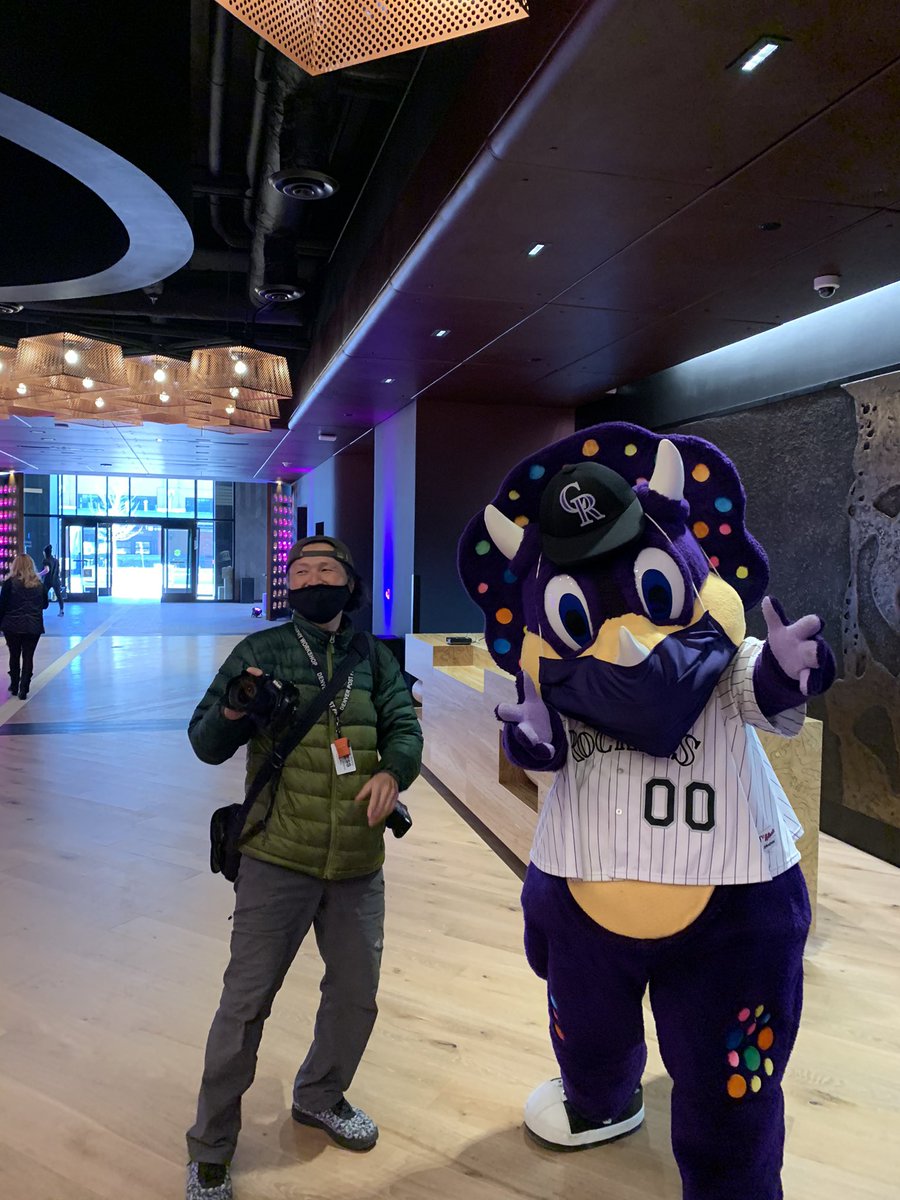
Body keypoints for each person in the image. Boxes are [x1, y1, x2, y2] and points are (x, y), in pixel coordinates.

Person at [185, 536, 423, 1200]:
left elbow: (405, 725)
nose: (310, 577)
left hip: (356, 860)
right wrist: (237, 707)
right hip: (275, 857)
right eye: (299, 570)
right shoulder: (259, 652)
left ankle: (320, 1094)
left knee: (355, 996)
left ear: (348, 584)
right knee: (244, 1006)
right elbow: (205, 741)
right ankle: (211, 1147)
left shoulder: (373, 656)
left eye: (325, 569)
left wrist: (395, 774)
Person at [0, 553, 49, 699]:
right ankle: (24, 688)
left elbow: (2, 606)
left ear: (15, 566)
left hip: (12, 626)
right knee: (28, 656)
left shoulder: (9, 583)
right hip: (33, 626)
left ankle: (14, 685)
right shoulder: (39, 585)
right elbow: (45, 605)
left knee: (14, 655)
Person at [40, 544, 65, 615]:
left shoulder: (45, 560)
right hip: (56, 580)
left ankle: (40, 610)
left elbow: (47, 570)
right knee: (59, 595)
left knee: (43, 595)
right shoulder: (56, 561)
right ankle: (61, 610)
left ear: (45, 552)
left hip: (48, 581)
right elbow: (58, 571)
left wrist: (39, 574)